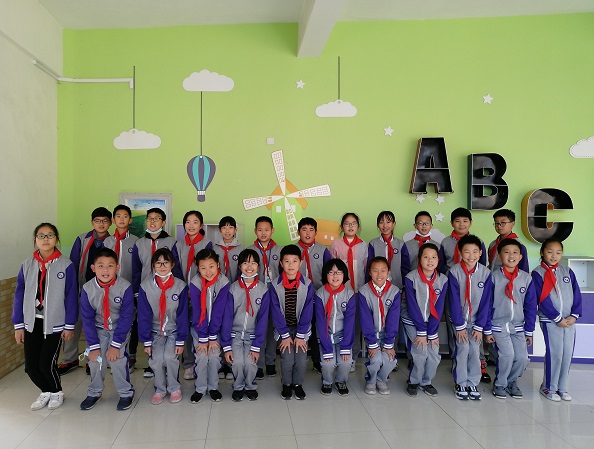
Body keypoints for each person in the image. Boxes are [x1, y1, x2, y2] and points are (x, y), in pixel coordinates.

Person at [13, 223, 77, 410]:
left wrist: (69, 325)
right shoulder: (27, 265)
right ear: (35, 240)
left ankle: (56, 392)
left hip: (55, 323)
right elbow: (19, 295)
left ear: (57, 239)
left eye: (50, 235)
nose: (46, 239)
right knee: (30, 366)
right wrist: (18, 325)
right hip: (32, 322)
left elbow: (71, 295)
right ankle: (46, 391)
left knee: (46, 363)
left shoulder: (66, 265)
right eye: (41, 236)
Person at [79, 248, 135, 411]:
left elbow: (126, 317)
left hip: (119, 329)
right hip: (98, 329)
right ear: (93, 268)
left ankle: (126, 393)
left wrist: (115, 345)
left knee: (116, 359)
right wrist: (94, 346)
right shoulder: (88, 289)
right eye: (101, 266)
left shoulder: (125, 287)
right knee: (95, 360)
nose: (105, 270)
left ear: (117, 267)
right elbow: (87, 319)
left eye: (110, 266)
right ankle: (94, 392)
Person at [59, 206, 112, 375]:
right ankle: (70, 359)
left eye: (104, 221)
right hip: (81, 289)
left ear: (110, 223)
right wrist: (71, 288)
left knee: (95, 327)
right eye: (97, 221)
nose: (101, 224)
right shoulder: (82, 239)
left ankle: (92, 360)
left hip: (102, 291)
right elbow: (73, 263)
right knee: (73, 323)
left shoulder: (112, 241)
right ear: (92, 222)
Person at [437, 207, 488, 381]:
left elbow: (482, 264)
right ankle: (457, 360)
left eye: (465, 221)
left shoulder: (478, 242)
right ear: (452, 223)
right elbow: (441, 264)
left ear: (470, 223)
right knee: (455, 326)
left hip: (474, 286)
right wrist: (453, 276)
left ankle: (479, 363)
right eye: (457, 221)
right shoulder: (445, 242)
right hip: (453, 285)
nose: (461, 224)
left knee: (475, 331)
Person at [131, 207, 182, 378]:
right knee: (150, 325)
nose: (153, 221)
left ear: (163, 222)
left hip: (169, 290)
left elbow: (176, 268)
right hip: (148, 292)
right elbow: (136, 271)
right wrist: (137, 293)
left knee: (168, 324)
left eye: (157, 218)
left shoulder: (172, 242)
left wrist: (178, 290)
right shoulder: (139, 243)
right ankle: (152, 364)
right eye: (150, 218)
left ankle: (170, 363)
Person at [484, 239, 537, 399]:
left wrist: (529, 330)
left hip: (518, 326)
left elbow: (530, 306)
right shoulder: (493, 277)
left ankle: (511, 381)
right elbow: (487, 304)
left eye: (515, 252)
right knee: (507, 355)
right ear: (500, 256)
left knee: (522, 358)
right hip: (498, 325)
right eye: (506, 252)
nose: (511, 256)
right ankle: (500, 384)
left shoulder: (526, 279)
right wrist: (487, 329)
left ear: (520, 257)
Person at [531, 238, 582, 402]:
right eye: (550, 252)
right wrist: (557, 318)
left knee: (567, 354)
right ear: (542, 252)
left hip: (569, 321)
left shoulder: (567, 272)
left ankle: (562, 387)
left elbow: (576, 294)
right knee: (555, 354)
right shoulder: (537, 273)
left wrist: (574, 315)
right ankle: (548, 387)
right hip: (550, 320)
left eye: (558, 253)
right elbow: (542, 299)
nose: (554, 256)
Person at [137, 248, 189, 405]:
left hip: (174, 331)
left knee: (170, 357)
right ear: (153, 265)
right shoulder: (145, 286)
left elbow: (183, 314)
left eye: (166, 262)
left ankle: (174, 388)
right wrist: (146, 341)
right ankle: (160, 389)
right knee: (157, 359)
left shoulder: (180, 286)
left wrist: (181, 340)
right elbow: (144, 315)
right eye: (158, 263)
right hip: (154, 332)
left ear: (172, 265)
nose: (162, 266)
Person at [447, 235, 493, 400]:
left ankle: (472, 382)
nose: (471, 256)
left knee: (474, 350)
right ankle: (460, 382)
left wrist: (480, 326)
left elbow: (486, 301)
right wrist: (459, 326)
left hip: (476, 323)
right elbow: (453, 301)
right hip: (459, 321)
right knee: (462, 349)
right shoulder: (453, 272)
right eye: (467, 252)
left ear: (480, 253)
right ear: (460, 253)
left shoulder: (486, 273)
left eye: (475, 252)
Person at [221, 249, 270, 401]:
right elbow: (227, 318)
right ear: (239, 266)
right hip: (234, 335)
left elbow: (263, 320)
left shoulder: (263, 290)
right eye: (245, 263)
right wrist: (226, 345)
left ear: (258, 267)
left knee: (250, 362)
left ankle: (250, 385)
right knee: (237, 362)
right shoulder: (232, 289)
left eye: (253, 263)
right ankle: (238, 386)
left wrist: (257, 346)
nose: (249, 267)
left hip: (253, 335)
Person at [269, 245, 314, 400]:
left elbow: (308, 310)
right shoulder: (275, 285)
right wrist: (285, 335)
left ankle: (298, 384)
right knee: (287, 358)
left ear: (300, 263)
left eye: (294, 261)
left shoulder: (307, 284)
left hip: (302, 328)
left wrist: (301, 335)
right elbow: (275, 311)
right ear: (281, 263)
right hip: (284, 329)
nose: (291, 265)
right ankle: (287, 384)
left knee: (301, 359)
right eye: (287, 261)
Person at [403, 243, 448, 397]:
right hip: (413, 320)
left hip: (431, 322)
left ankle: (426, 381)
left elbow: (439, 307)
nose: (430, 260)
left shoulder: (443, 280)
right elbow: (412, 306)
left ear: (438, 260)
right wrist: (422, 331)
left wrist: (432, 332)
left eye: (434, 257)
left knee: (434, 354)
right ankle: (414, 381)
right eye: (426, 257)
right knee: (420, 352)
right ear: (419, 259)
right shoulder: (411, 278)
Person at [172, 210, 212, 381]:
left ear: (201, 225)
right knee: (184, 326)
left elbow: (209, 269)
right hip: (182, 293)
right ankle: (188, 364)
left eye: (195, 222)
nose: (191, 225)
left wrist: (194, 289)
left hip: (200, 292)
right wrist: (183, 288)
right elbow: (174, 268)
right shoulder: (178, 245)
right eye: (188, 222)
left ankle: (202, 361)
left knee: (199, 325)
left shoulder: (207, 244)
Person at [189, 248, 230, 403]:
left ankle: (213, 387)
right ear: (198, 268)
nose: (208, 271)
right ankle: (200, 388)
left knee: (213, 356)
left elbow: (219, 311)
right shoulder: (195, 283)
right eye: (203, 268)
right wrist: (203, 338)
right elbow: (197, 311)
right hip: (199, 329)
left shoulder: (223, 282)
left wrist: (212, 337)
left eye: (211, 266)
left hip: (216, 328)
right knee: (201, 356)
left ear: (218, 265)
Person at [329, 212, 367, 371]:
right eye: (346, 223)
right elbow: (331, 269)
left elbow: (366, 268)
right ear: (342, 226)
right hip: (340, 292)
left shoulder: (364, 246)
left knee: (355, 325)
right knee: (339, 323)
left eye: (353, 223)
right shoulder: (335, 245)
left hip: (358, 291)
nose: (350, 226)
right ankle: (338, 355)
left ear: (358, 226)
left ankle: (352, 357)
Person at [103, 204, 139, 371]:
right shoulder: (107, 241)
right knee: (112, 320)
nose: (122, 219)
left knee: (130, 321)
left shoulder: (136, 241)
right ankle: (112, 354)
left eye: (125, 216)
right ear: (113, 220)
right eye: (118, 216)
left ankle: (131, 355)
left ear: (130, 220)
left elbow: (138, 268)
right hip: (109, 289)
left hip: (129, 289)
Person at [359, 257, 401, 395]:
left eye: (383, 271)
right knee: (376, 359)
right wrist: (372, 343)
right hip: (371, 335)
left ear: (388, 272)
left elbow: (393, 319)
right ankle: (371, 380)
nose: (379, 274)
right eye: (375, 270)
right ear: (369, 272)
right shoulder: (364, 291)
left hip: (388, 335)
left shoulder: (394, 291)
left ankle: (381, 379)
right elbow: (365, 320)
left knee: (390, 360)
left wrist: (389, 344)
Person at [247, 216, 282, 379]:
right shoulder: (250, 251)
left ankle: (270, 361)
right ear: (255, 231)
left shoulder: (280, 250)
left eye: (266, 230)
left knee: (273, 329)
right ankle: (259, 363)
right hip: (256, 295)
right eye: (260, 230)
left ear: (272, 231)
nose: (263, 233)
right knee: (258, 328)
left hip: (274, 295)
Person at [314, 259, 355, 396]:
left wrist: (346, 346)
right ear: (326, 275)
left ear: (344, 275)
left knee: (345, 362)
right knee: (328, 363)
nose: (335, 276)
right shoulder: (320, 294)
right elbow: (320, 322)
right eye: (331, 272)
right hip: (326, 335)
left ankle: (341, 381)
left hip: (344, 335)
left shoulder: (349, 294)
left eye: (339, 272)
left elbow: (350, 322)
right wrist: (326, 347)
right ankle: (327, 381)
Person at [297, 217, 331, 374]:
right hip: (297, 297)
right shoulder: (292, 250)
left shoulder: (323, 250)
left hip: (318, 297)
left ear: (316, 232)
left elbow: (329, 273)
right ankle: (298, 361)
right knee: (300, 328)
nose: (307, 233)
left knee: (318, 329)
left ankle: (318, 360)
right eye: (304, 230)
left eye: (311, 230)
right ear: (299, 232)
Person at [367, 211, 410, 289]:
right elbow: (369, 266)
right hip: (377, 285)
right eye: (381, 222)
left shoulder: (400, 244)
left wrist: (405, 285)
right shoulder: (373, 244)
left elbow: (405, 267)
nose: (385, 225)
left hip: (397, 285)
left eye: (388, 222)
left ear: (394, 224)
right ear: (378, 225)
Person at [213, 216, 243, 283]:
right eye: (224, 228)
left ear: (235, 229)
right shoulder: (214, 249)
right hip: (218, 284)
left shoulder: (241, 249)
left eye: (230, 228)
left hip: (236, 284)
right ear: (220, 230)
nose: (227, 231)